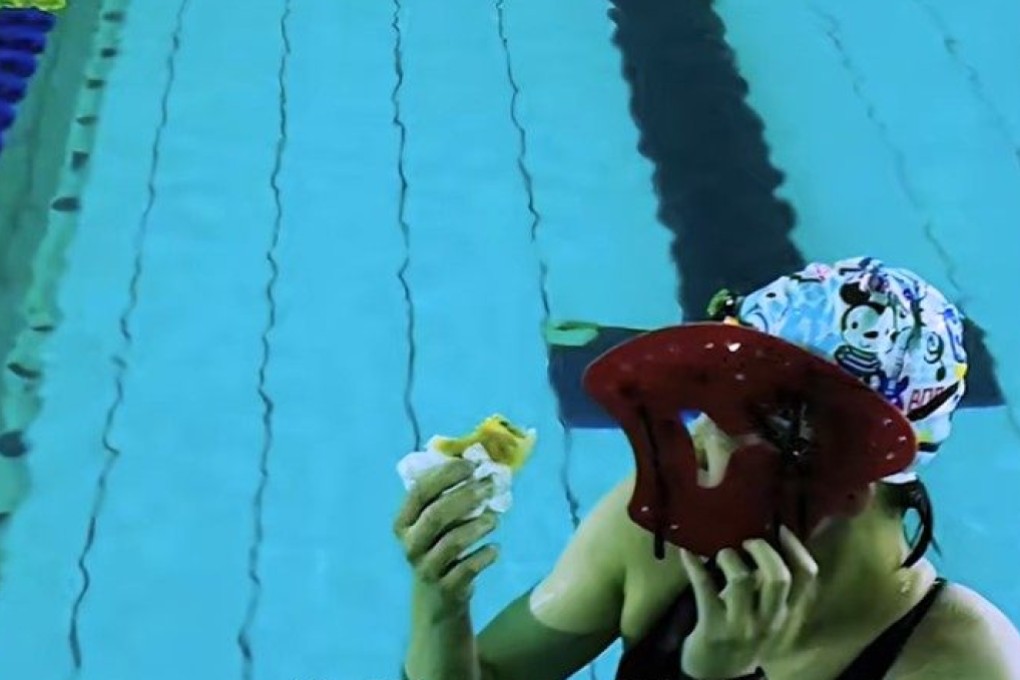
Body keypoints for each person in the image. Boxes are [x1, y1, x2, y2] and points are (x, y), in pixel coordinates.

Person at [394, 257, 1020, 680]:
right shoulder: (653, 543)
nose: (697, 441)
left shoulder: (961, 663)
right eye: (709, 399)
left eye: (746, 415)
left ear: (853, 480)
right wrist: (440, 603)